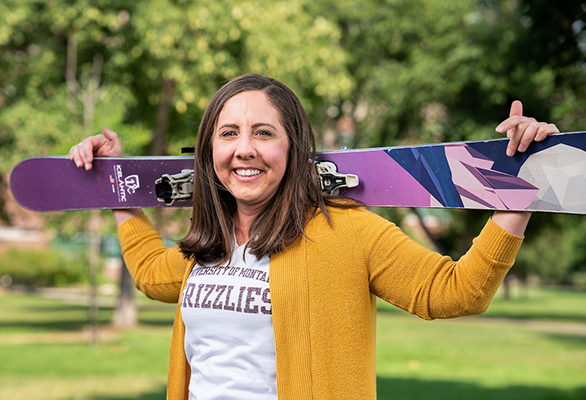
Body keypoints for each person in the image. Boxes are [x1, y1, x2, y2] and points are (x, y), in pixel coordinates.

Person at [69, 74, 559, 400]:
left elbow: (455, 292)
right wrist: (119, 190)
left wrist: (518, 194)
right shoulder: (211, 240)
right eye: (228, 134)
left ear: (293, 146)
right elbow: (155, 277)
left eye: (263, 133)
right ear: (208, 151)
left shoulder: (346, 230)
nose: (244, 150)